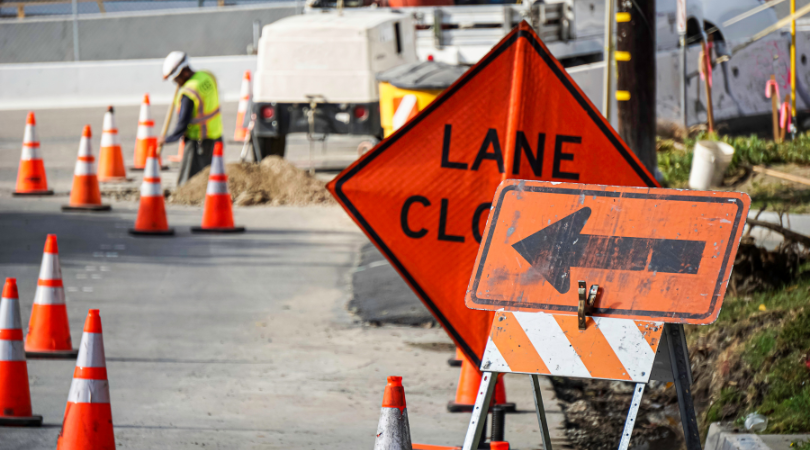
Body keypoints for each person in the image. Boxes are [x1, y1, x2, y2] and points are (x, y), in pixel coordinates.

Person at [158, 51, 223, 186]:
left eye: (176, 79)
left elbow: (182, 124)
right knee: (213, 178)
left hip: (198, 141)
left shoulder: (189, 92)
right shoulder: (207, 76)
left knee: (187, 183)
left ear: (184, 73)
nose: (176, 83)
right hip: (216, 136)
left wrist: (167, 139)